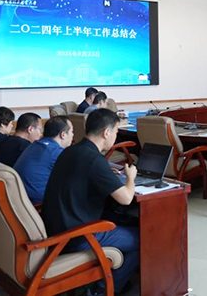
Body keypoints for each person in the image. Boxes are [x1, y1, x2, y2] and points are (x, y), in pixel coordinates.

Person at [42, 109, 139, 294]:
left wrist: (107, 174)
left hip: (57, 228)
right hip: (78, 236)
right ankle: (102, 290)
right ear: (106, 132)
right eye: (116, 131)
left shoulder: (71, 150)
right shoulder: (95, 160)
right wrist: (130, 178)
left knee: (120, 220)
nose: (116, 136)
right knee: (142, 238)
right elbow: (126, 198)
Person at [14, 116, 74, 204]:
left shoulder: (35, 145)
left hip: (21, 199)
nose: (73, 135)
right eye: (72, 131)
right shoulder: (56, 152)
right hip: (39, 204)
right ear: (63, 134)